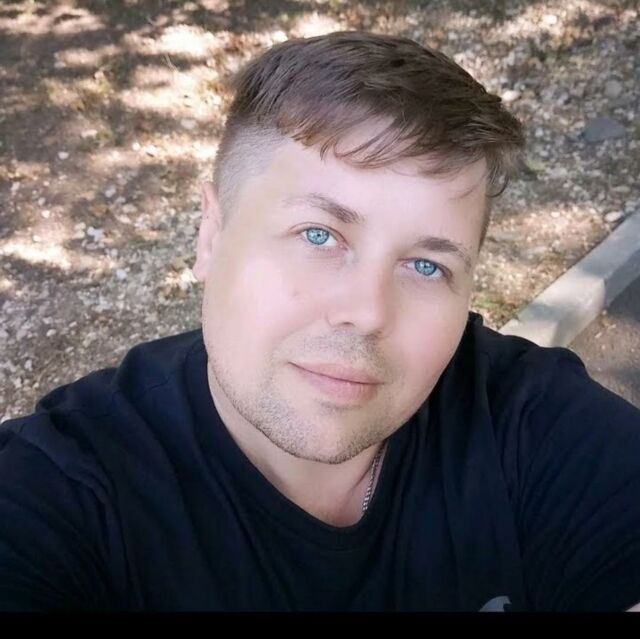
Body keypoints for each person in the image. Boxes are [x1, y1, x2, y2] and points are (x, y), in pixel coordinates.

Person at [1, 30, 639, 613]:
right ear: (212, 234)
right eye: (318, 234)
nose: (367, 312)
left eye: (426, 265)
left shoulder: (534, 428)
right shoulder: (60, 492)